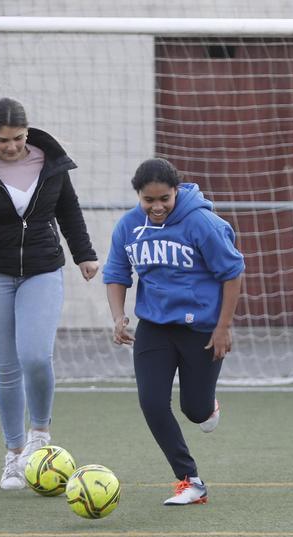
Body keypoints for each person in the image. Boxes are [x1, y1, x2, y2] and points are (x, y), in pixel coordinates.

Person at [0, 97, 100, 490]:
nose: (10, 146)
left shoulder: (51, 162)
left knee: (34, 355)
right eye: (1, 140)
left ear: (28, 133)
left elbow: (69, 211)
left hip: (43, 270)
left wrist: (85, 255)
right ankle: (13, 456)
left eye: (17, 138)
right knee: (6, 366)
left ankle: (39, 436)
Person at [104, 158, 245, 506]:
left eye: (164, 199)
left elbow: (232, 272)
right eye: (148, 200)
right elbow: (117, 273)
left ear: (176, 191)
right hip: (154, 327)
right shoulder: (128, 227)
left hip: (201, 329)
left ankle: (207, 405)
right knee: (152, 402)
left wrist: (223, 327)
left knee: (195, 411)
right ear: (138, 196)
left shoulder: (202, 223)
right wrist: (119, 316)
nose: (156, 207)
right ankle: (189, 480)